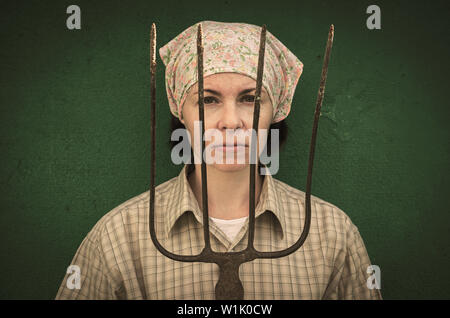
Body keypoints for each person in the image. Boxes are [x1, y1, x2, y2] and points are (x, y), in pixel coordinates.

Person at [55, 21, 382, 300]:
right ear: (180, 112)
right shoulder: (118, 238)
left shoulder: (332, 234)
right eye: (208, 100)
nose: (231, 121)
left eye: (251, 98)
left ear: (275, 112)